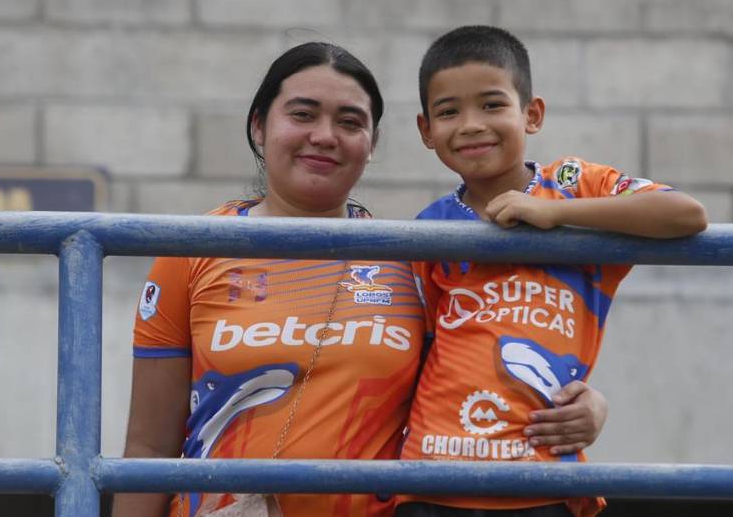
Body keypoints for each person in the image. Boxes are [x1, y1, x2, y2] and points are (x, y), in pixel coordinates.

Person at [113, 41, 612, 517]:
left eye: (350, 122)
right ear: (260, 127)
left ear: (371, 145)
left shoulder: (413, 257)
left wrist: (584, 401)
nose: (325, 136)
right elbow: (148, 446)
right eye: (303, 114)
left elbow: (482, 361)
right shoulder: (194, 250)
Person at [397, 26, 708, 517]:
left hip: (542, 475)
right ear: (425, 130)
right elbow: (422, 350)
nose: (471, 124)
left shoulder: (574, 186)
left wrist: (558, 215)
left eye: (492, 105)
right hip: (431, 479)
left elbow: (685, 213)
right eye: (449, 111)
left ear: (532, 114)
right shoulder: (428, 228)